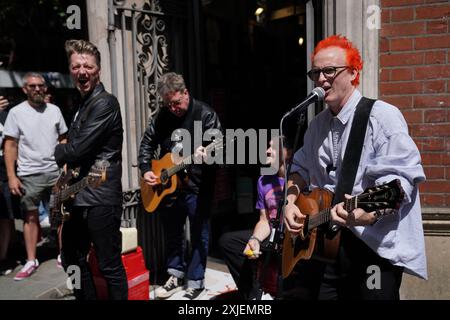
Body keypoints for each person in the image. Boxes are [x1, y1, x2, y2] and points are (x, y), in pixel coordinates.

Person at [283, 34, 427, 300]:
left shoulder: (382, 116)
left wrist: (365, 215)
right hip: (328, 247)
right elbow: (299, 170)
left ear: (353, 72)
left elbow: (401, 183)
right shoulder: (316, 126)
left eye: (329, 71)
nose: (321, 79)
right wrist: (290, 202)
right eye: (315, 72)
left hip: (372, 247)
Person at [138, 72, 222, 300]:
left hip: (197, 186)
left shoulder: (205, 115)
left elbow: (219, 149)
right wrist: (146, 170)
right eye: (168, 104)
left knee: (199, 234)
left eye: (176, 103)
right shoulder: (162, 116)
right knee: (173, 233)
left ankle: (195, 280)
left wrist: (208, 154)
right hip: (168, 188)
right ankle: (175, 274)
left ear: (186, 93)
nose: (172, 108)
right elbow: (147, 143)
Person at [54, 39, 128, 300]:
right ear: (70, 69)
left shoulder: (105, 103)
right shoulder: (82, 103)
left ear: (98, 70)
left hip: (101, 195)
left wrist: (59, 149)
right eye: (76, 66)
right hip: (79, 194)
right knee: (71, 256)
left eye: (88, 66)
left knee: (109, 265)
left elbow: (74, 151)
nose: (82, 71)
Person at [3, 73, 68, 281]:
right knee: (30, 218)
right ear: (25, 89)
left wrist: (65, 166)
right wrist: (12, 176)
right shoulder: (16, 113)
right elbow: (10, 145)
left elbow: (63, 139)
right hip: (29, 174)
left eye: (41, 86)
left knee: (60, 216)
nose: (38, 89)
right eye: (33, 86)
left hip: (55, 172)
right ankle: (31, 260)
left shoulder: (54, 110)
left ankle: (63, 254)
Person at [219, 138, 291, 299]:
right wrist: (255, 239)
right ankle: (251, 295)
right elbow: (264, 220)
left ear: (288, 153)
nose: (267, 151)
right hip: (272, 236)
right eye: (268, 147)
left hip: (292, 239)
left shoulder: (301, 180)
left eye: (273, 148)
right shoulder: (263, 181)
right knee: (228, 242)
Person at [0, 95, 21, 275]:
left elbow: (14, 143)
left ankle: (4, 257)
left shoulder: (7, 116)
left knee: (6, 216)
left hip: (5, 170)